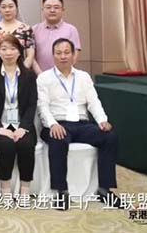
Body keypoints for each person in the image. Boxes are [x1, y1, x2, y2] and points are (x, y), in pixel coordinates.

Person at [37, 38, 122, 210]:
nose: (63, 56)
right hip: (57, 123)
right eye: (58, 53)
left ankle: (104, 189)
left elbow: (94, 102)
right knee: (58, 139)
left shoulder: (83, 77)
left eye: (66, 52)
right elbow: (42, 106)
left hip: (82, 124)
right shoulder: (44, 78)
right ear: (53, 56)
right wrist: (52, 124)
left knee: (109, 137)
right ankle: (61, 191)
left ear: (74, 55)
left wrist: (102, 120)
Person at [0, 35, 37, 203]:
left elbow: (32, 105)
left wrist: (24, 127)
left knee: (26, 145)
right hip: (0, 124)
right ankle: (5, 190)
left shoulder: (29, 76)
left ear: (20, 52)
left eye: (13, 48)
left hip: (22, 124)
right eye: (4, 49)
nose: (8, 52)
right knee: (6, 146)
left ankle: (25, 190)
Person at [32, 0, 82, 74]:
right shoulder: (34, 29)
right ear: (43, 9)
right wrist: (41, 75)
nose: (52, 10)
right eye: (48, 7)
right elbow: (31, 56)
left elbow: (74, 56)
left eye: (56, 7)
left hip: (63, 76)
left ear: (63, 10)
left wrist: (59, 75)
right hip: (38, 76)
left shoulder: (71, 30)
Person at [0, 0, 35, 70]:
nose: (7, 10)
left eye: (11, 6)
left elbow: (30, 55)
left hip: (21, 72)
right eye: (3, 7)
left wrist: (22, 71)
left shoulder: (26, 29)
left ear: (16, 8)